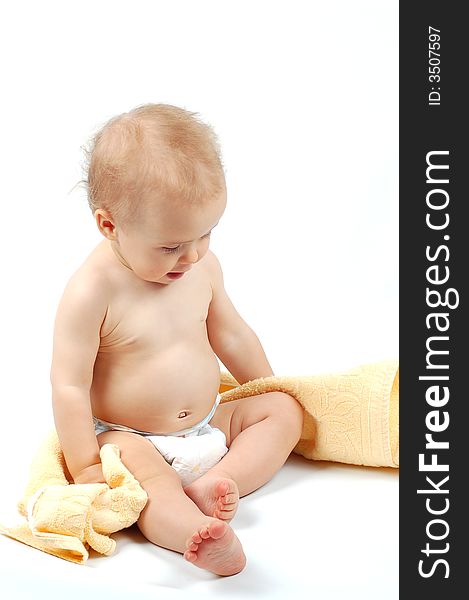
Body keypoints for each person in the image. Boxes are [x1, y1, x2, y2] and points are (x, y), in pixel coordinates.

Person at [50, 103, 304, 576]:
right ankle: (194, 533)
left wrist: (268, 386)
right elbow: (68, 385)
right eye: (169, 246)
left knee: (284, 410)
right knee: (149, 488)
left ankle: (218, 481)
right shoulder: (92, 291)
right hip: (132, 437)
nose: (190, 255)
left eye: (205, 233)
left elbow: (231, 332)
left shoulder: (201, 266)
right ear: (109, 225)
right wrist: (87, 467)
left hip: (208, 424)